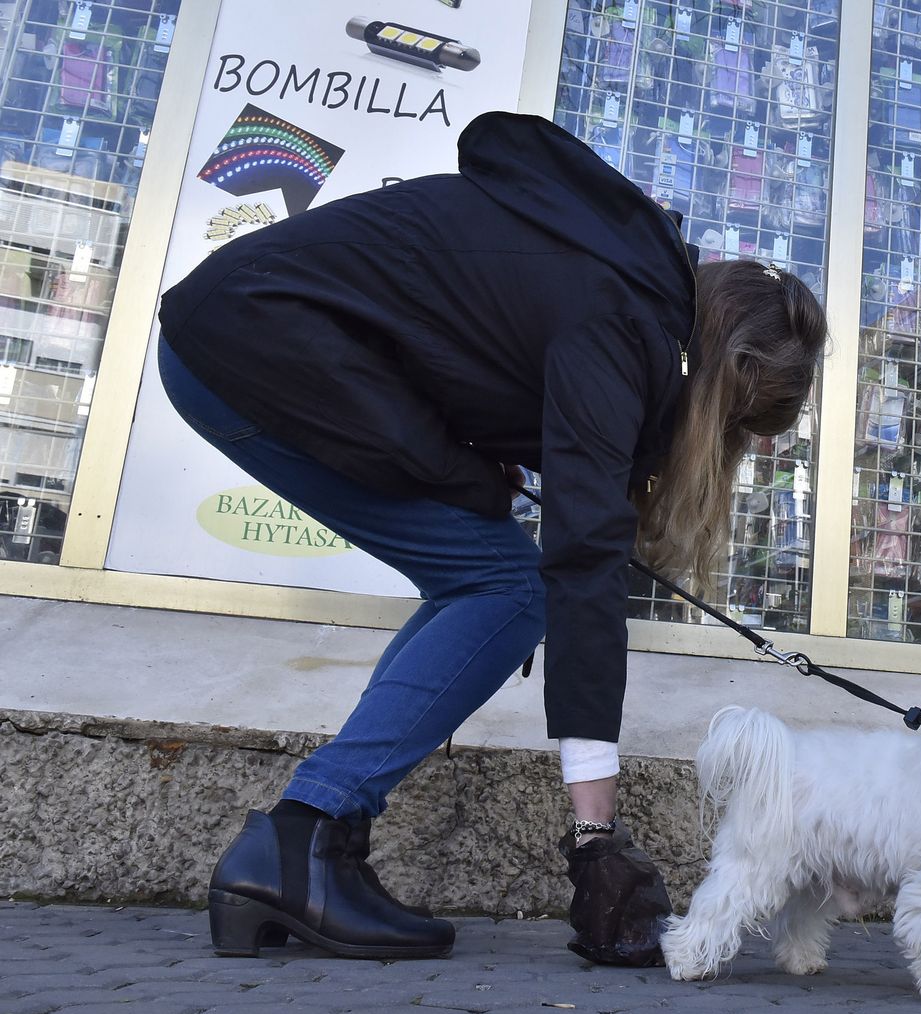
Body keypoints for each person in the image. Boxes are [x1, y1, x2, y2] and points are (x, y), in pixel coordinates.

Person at [161, 111, 827, 960]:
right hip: (252, 348)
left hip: (238, 332)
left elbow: (455, 352)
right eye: (733, 429)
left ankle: (315, 838)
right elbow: (582, 565)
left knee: (486, 575)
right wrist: (596, 837)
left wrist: (484, 471)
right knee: (511, 587)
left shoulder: (622, 278)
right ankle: (306, 833)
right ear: (728, 382)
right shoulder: (622, 321)